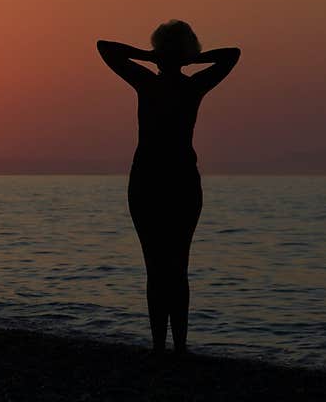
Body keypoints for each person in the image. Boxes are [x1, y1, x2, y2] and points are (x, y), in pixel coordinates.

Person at [97, 21, 240, 354]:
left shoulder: (152, 81)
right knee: (175, 266)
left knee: (161, 266)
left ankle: (165, 344)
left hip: (161, 179)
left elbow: (107, 48)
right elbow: (232, 56)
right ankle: (174, 345)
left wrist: (152, 56)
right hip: (166, 180)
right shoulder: (186, 85)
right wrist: (185, 58)